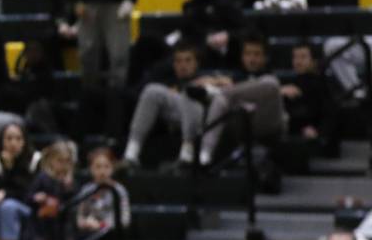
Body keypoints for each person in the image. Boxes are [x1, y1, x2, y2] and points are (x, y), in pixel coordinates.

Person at [123, 41, 213, 168]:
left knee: (191, 91)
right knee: (151, 90)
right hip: (173, 116)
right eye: (178, 61)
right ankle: (131, 153)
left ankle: (187, 153)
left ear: (196, 63)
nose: (183, 65)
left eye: (188, 61)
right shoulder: (167, 82)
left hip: (202, 119)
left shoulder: (207, 78)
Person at [199, 33, 285, 166]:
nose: (252, 59)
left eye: (257, 54)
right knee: (221, 100)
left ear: (265, 57)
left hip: (269, 124)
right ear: (242, 56)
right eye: (248, 54)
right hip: (241, 124)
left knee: (271, 83)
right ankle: (205, 153)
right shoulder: (235, 78)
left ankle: (218, 93)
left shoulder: (270, 78)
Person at [180, 0, 245, 70]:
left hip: (229, 52)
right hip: (200, 55)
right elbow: (188, 34)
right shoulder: (189, 8)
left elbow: (244, 29)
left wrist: (227, 36)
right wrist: (206, 39)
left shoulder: (227, 4)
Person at [21, 141, 78, 240]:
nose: (63, 165)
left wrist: (68, 187)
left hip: (62, 225)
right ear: (51, 160)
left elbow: (73, 200)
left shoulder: (69, 182)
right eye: (60, 161)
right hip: (42, 225)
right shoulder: (43, 177)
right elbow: (28, 197)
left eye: (67, 161)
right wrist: (37, 197)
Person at [76, 147, 131, 240]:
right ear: (91, 169)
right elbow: (80, 218)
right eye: (98, 167)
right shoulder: (86, 190)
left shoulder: (119, 191)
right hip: (90, 237)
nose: (102, 171)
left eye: (106, 167)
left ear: (112, 168)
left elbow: (125, 219)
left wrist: (103, 226)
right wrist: (86, 223)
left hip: (111, 238)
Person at [280, 42, 338, 151]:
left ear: (313, 60)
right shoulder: (293, 82)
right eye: (295, 57)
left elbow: (330, 114)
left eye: (303, 57)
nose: (298, 61)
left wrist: (318, 131)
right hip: (297, 134)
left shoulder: (322, 83)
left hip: (316, 138)